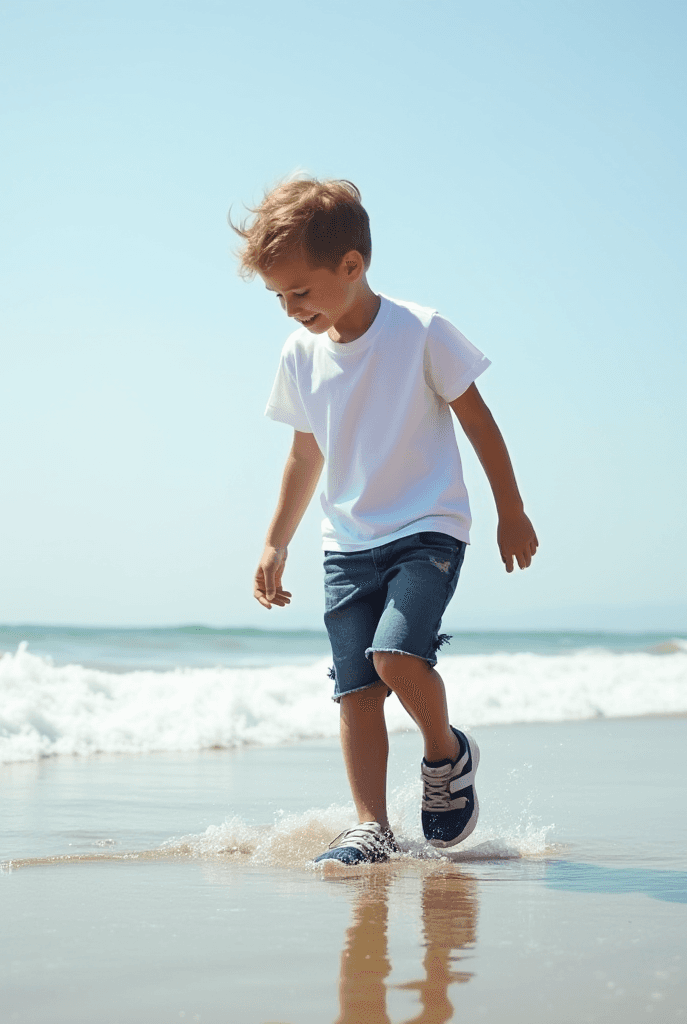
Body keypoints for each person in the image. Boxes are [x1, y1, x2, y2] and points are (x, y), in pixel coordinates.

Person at [233, 178, 538, 865]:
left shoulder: (420, 330)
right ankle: (371, 826)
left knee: (395, 655)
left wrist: (509, 509)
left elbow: (479, 421)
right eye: (279, 297)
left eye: (301, 291)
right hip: (346, 542)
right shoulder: (300, 356)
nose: (291, 309)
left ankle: (445, 753)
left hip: (428, 528)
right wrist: (275, 539)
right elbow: (305, 451)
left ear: (352, 264)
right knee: (356, 691)